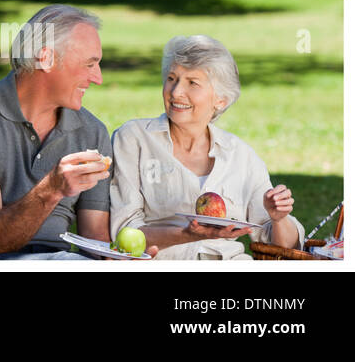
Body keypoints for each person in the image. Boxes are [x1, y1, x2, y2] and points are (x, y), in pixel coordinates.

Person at [0, 5, 112, 259]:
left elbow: (95, 240)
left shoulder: (92, 132)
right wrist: (52, 188)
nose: (98, 78)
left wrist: (126, 257)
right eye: (89, 64)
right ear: (46, 58)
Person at [110, 36, 303, 259]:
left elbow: (284, 248)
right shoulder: (134, 139)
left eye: (192, 83)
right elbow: (123, 232)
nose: (175, 92)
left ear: (220, 100)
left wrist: (279, 218)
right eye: (172, 78)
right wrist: (187, 234)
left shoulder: (241, 156)